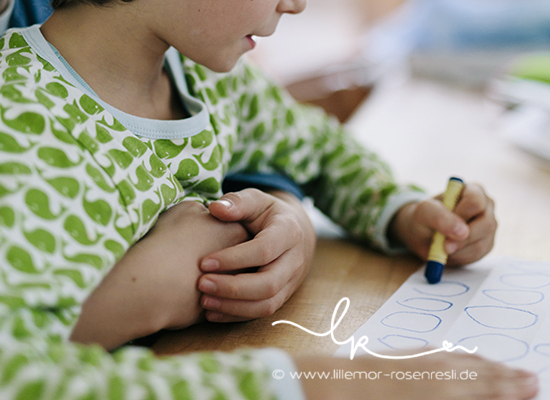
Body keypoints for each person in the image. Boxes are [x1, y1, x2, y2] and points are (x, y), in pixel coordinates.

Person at [0, 0, 539, 399]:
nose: (297, 4)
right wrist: (324, 384)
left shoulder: (202, 79)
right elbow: (21, 379)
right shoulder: (26, 128)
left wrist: (401, 213)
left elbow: (320, 147)